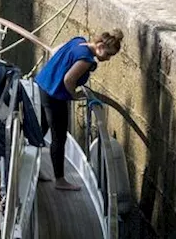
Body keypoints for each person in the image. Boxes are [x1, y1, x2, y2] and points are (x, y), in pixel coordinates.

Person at [34, 30, 123, 191]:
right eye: (108, 54)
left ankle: (33, 167)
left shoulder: (78, 41)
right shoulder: (86, 60)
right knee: (59, 137)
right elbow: (69, 79)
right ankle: (60, 180)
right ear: (100, 46)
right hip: (55, 96)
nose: (107, 59)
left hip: (42, 86)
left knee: (40, 130)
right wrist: (73, 94)